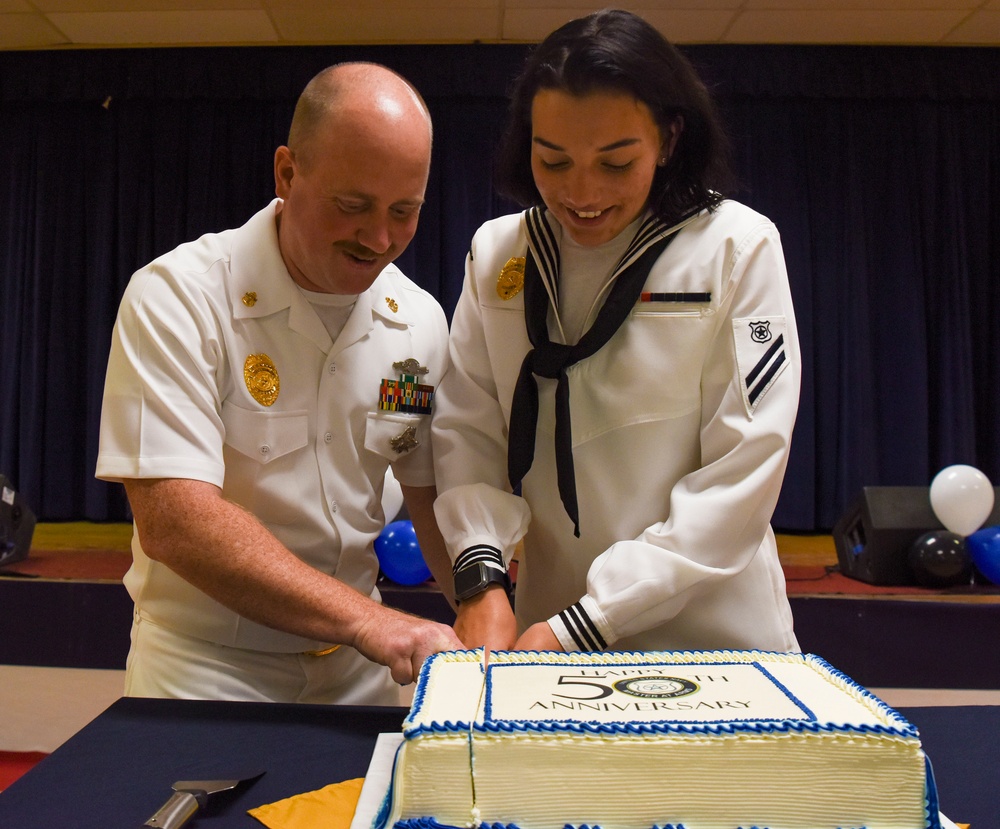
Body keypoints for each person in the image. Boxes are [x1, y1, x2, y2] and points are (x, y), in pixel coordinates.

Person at [432, 10, 801, 655]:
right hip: (548, 631)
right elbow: (467, 430)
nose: (582, 193)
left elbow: (742, 472)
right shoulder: (497, 256)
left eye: (615, 162)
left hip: (716, 638)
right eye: (554, 161)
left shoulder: (735, 248)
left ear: (668, 137)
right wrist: (482, 575)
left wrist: (592, 620)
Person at [96, 62, 463, 705]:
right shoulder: (181, 298)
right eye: (352, 206)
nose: (378, 239)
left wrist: (491, 617)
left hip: (362, 671)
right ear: (288, 174)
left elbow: (427, 494)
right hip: (205, 666)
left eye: (404, 212)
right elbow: (176, 521)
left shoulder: (418, 324)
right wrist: (372, 621)